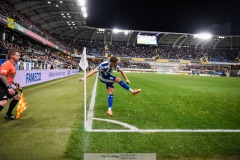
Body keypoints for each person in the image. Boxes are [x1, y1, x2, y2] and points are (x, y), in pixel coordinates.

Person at [0, 50, 22, 120]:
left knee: (17, 97)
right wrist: (9, 87)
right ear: (12, 56)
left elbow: (9, 77)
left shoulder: (13, 64)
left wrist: (15, 84)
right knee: (3, 102)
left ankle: (8, 115)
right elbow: (2, 76)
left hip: (6, 85)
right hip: (1, 85)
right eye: (17, 55)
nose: (19, 57)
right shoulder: (7, 64)